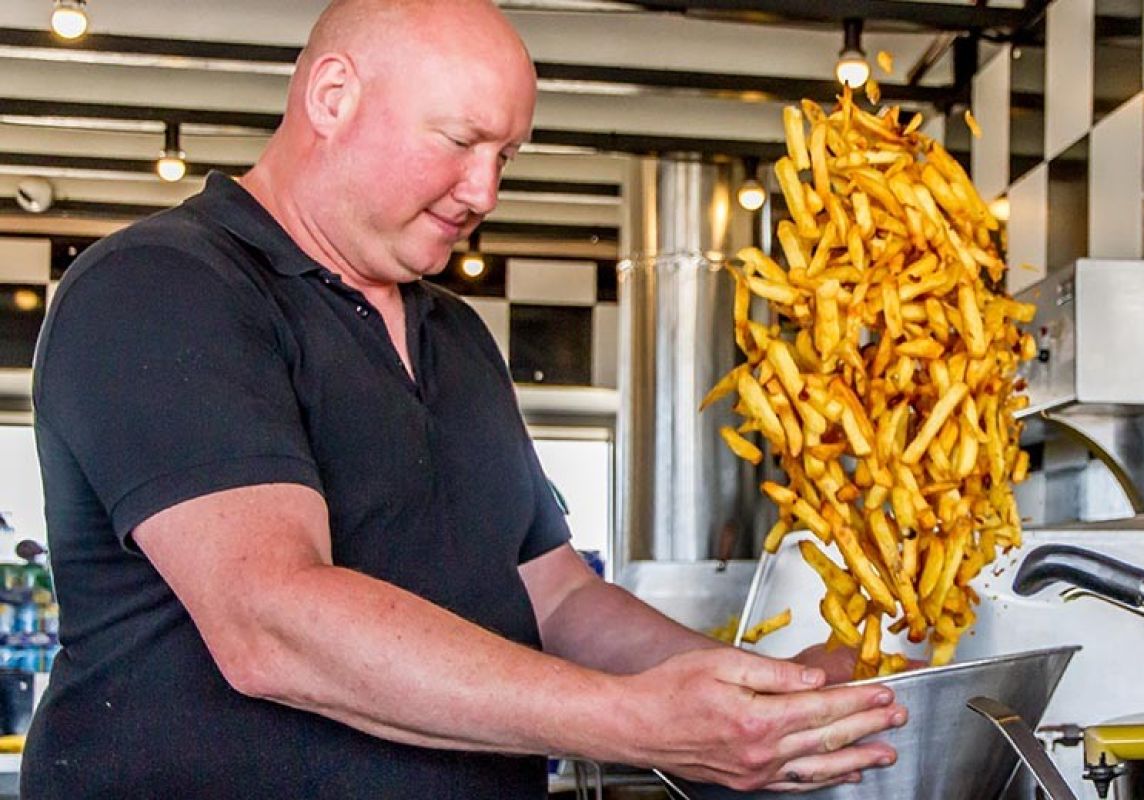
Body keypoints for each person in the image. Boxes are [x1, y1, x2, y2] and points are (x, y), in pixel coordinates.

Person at [21, 1, 905, 797]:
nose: (485, 191)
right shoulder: (161, 286)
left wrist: (766, 695)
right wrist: (643, 723)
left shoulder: (455, 334)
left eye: (505, 157)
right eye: (458, 142)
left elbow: (554, 597)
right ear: (332, 96)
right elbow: (272, 621)